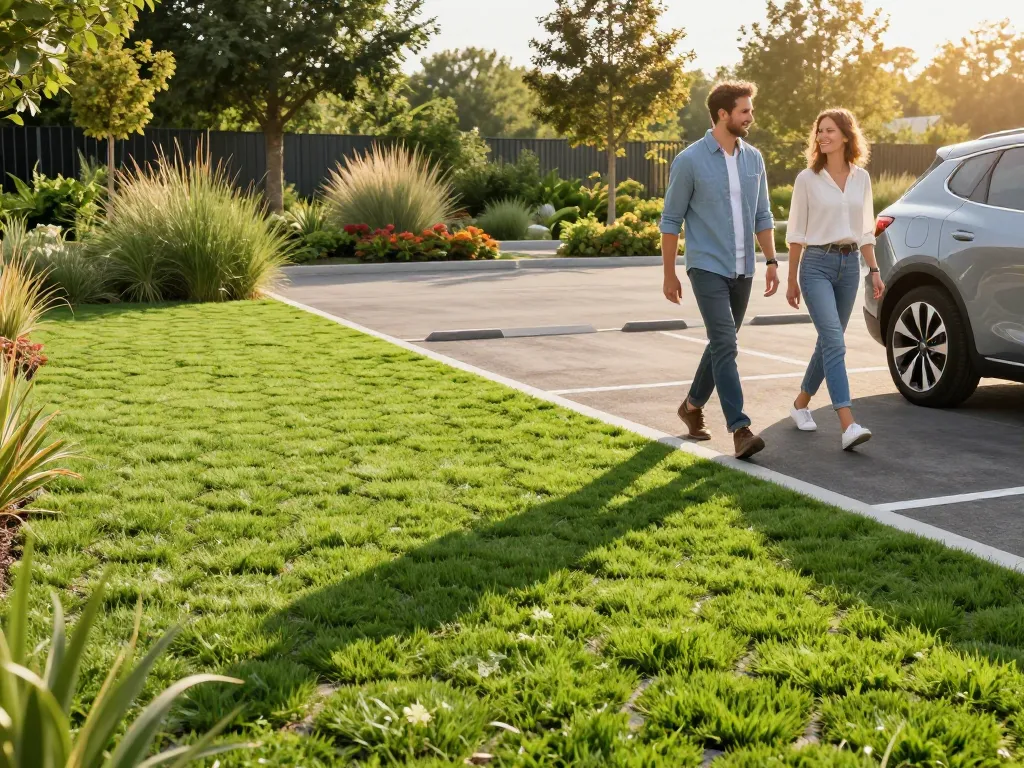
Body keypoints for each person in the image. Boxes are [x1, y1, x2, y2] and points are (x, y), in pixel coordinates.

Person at [660, 81, 779, 460]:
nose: (750, 117)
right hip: (706, 266)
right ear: (723, 114)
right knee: (726, 343)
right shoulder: (690, 161)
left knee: (720, 344)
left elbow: (762, 214)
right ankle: (740, 429)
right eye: (744, 111)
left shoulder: (754, 159)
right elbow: (670, 221)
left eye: (750, 110)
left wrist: (772, 261)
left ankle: (691, 407)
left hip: (744, 268)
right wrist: (669, 273)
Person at [785, 108, 885, 450]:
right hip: (816, 264)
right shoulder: (807, 179)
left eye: (829, 130)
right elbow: (796, 233)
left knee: (829, 341)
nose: (823, 136)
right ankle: (848, 424)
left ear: (845, 135)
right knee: (834, 342)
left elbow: (865, 231)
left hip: (850, 265)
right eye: (819, 131)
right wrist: (791, 279)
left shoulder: (861, 178)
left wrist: (874, 270)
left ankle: (800, 404)